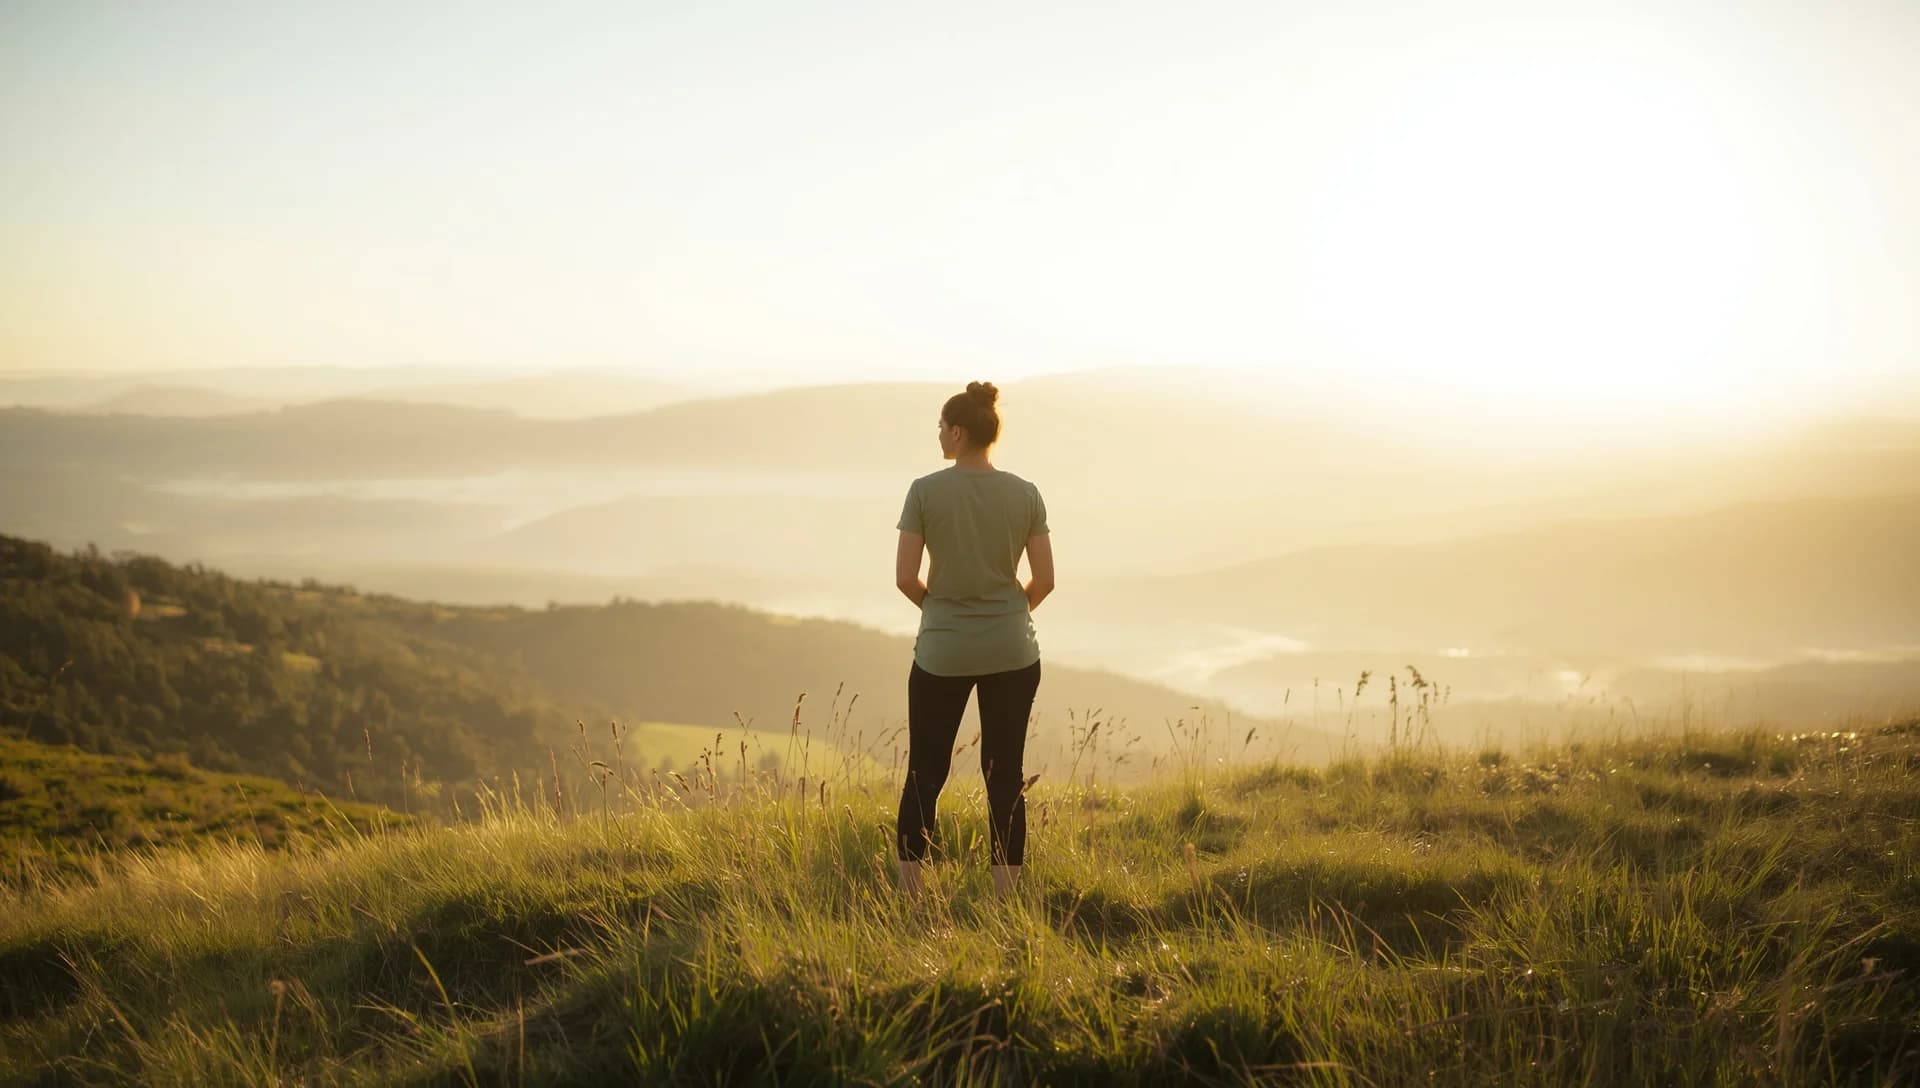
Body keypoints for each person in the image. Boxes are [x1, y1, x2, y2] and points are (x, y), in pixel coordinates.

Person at [893, 380, 1054, 901]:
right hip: (1012, 649)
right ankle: (1005, 900)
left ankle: (912, 898)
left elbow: (905, 578)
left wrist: (944, 614)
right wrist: (1004, 614)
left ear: (958, 432)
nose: (938, 434)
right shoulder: (1025, 492)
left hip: (943, 651)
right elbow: (1045, 580)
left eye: (941, 426)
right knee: (1005, 774)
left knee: (925, 772)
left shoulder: (924, 490)